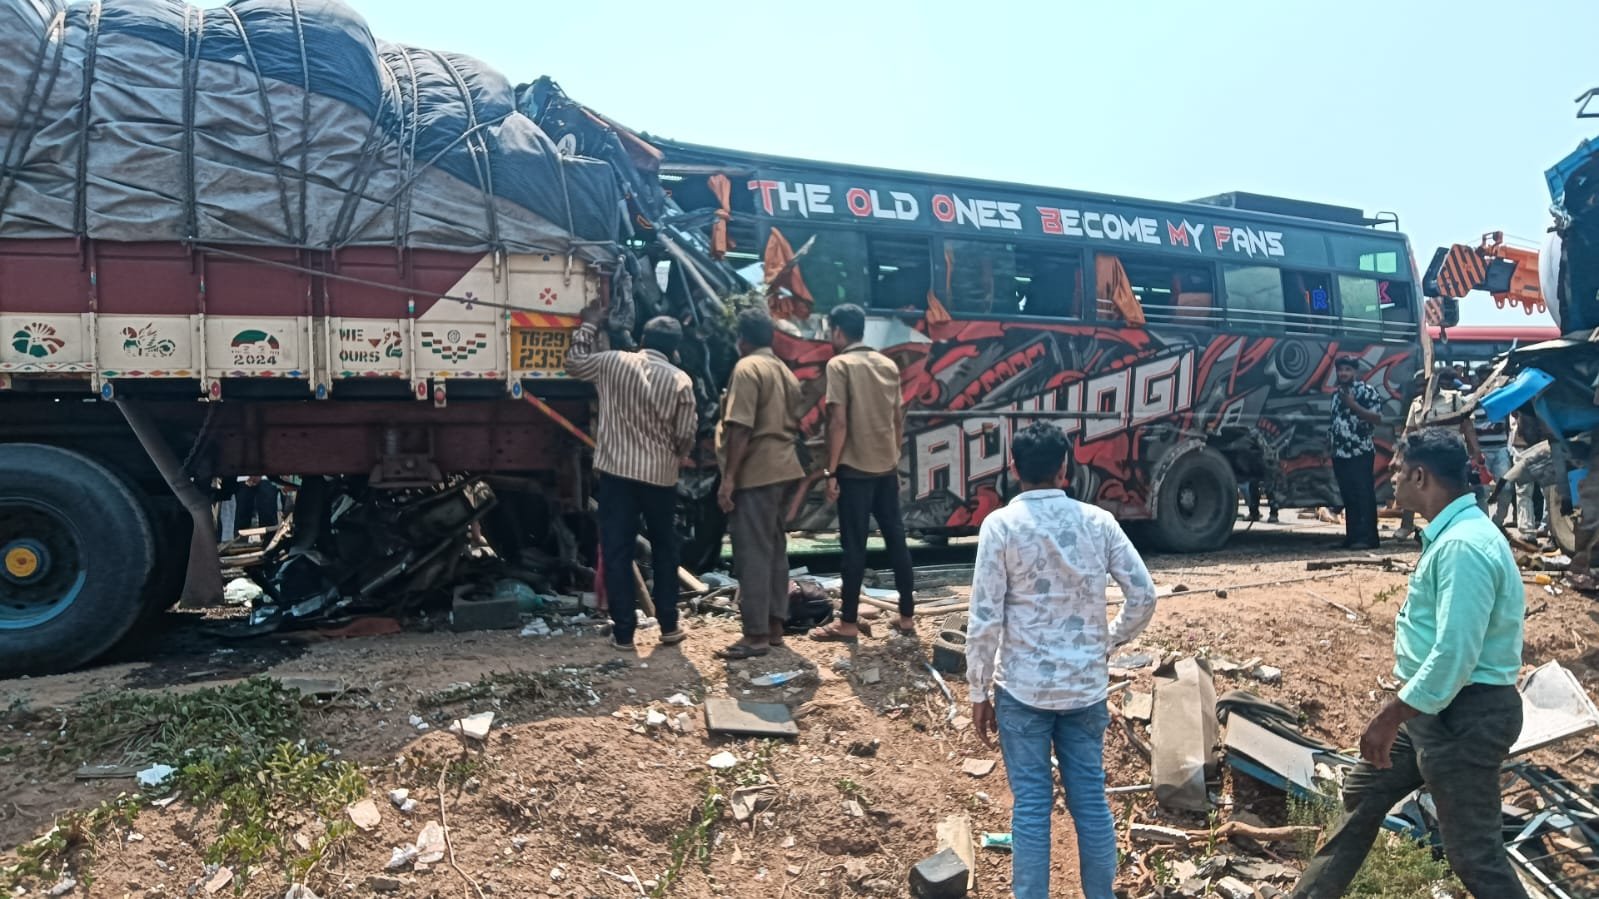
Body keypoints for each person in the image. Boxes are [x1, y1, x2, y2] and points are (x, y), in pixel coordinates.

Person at [1291, 428, 1527, 899]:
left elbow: (1454, 655)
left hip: (1464, 716)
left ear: (1420, 477)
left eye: (1398, 471)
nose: (1392, 480)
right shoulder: (1455, 535)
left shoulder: (1463, 547)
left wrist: (1391, 714)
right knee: (1363, 795)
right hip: (1433, 709)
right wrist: (1403, 713)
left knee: (1475, 856)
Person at [967, 422, 1158, 899]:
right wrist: (1108, 641)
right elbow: (1144, 596)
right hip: (1084, 689)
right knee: (1090, 802)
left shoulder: (1000, 527)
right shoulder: (1099, 522)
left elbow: (985, 618)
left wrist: (978, 690)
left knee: (1032, 807)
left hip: (1023, 691)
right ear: (1065, 467)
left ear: (1013, 468)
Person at [566, 302, 696, 651]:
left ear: (642, 340)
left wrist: (588, 326)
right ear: (674, 349)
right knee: (665, 551)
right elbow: (686, 435)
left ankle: (624, 632)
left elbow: (574, 363)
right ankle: (669, 625)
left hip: (617, 475)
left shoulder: (614, 362)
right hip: (661, 478)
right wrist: (674, 453)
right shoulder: (680, 380)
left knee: (617, 552)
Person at [808, 304, 916, 642]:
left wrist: (831, 471)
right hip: (886, 468)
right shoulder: (887, 365)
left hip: (854, 470)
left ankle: (848, 623)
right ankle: (907, 617)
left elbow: (838, 422)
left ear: (839, 331)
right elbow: (897, 420)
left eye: (831, 331)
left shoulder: (839, 365)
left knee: (854, 547)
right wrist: (893, 459)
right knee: (896, 539)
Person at [714, 309, 804, 659]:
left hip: (758, 471)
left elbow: (740, 427)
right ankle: (775, 627)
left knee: (751, 552)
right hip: (785, 468)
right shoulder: (784, 371)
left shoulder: (747, 368)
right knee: (774, 549)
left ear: (742, 339)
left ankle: (755, 636)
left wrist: (729, 478)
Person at [1327, 357, 1384, 549]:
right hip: (1340, 452)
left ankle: (1368, 538)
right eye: (1340, 370)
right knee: (1348, 496)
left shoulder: (1367, 392)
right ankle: (1352, 537)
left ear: (1355, 372)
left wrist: (1353, 405)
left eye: (1347, 369)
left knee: (1363, 494)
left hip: (1360, 451)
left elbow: (1377, 418)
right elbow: (1335, 421)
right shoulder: (1336, 395)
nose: (1343, 373)